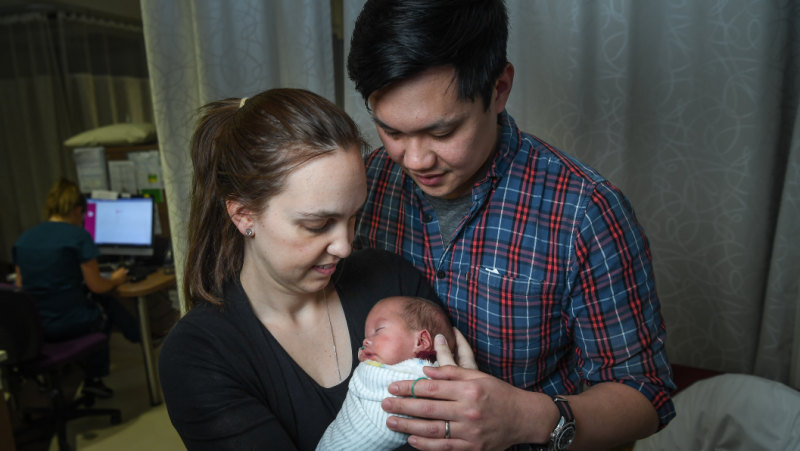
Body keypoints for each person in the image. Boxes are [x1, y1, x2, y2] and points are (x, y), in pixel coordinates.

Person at [348, 1, 676, 450]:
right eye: (393, 132)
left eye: (442, 133)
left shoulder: (586, 212)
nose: (416, 159)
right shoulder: (365, 185)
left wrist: (526, 417)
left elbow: (645, 394)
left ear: (499, 89)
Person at [157, 88, 453, 451]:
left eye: (352, 217)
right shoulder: (200, 354)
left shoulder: (392, 283)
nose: (344, 246)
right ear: (243, 215)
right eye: (317, 225)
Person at [12, 178, 140, 398]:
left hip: (36, 326)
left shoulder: (24, 240)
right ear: (78, 210)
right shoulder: (78, 236)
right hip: (71, 323)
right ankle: (97, 375)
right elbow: (97, 286)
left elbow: (20, 288)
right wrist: (117, 279)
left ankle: (135, 336)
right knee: (105, 303)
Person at [317, 295, 458, 450]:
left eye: (378, 330)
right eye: (366, 336)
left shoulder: (435, 377)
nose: (365, 341)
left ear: (421, 341)